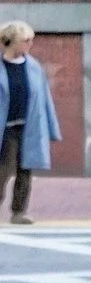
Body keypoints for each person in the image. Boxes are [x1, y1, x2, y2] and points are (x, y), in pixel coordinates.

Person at [0, 23, 62, 224]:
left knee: (25, 170)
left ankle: (19, 212)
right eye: (26, 40)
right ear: (11, 41)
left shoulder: (33, 67)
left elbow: (45, 100)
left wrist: (52, 130)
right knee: (3, 170)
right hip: (6, 128)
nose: (30, 44)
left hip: (29, 127)